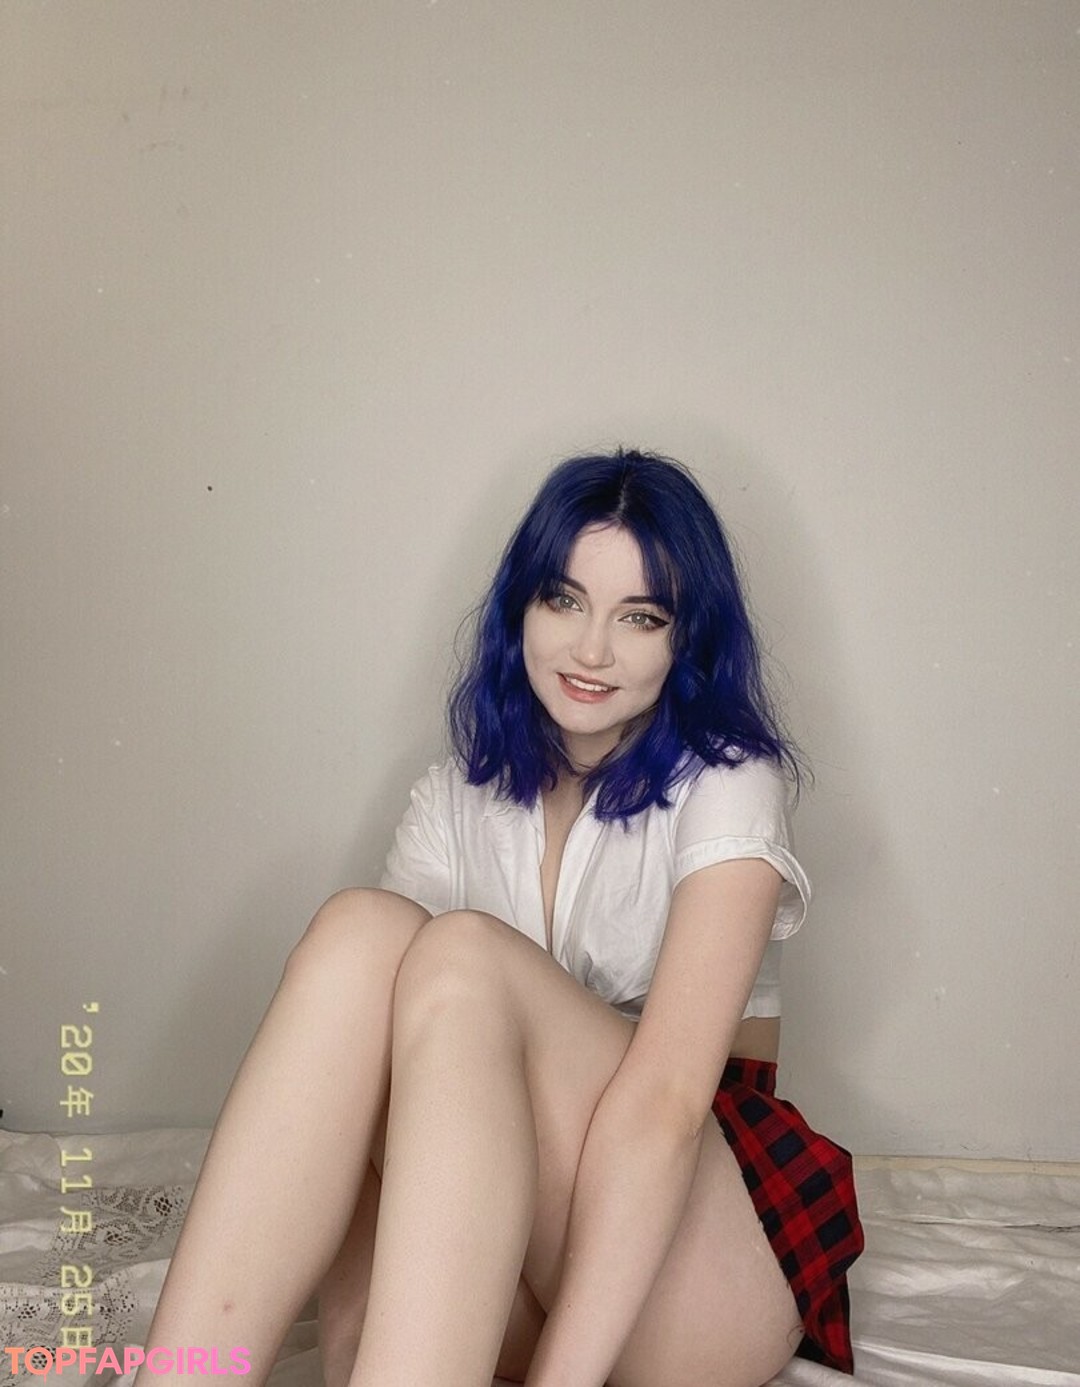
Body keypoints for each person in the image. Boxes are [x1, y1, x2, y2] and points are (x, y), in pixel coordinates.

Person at [136, 449, 863, 1387]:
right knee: (360, 935)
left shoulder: (728, 779)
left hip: (686, 1265)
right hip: (511, 1253)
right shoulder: (455, 796)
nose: (591, 650)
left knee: (462, 956)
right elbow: (364, 1072)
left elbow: (665, 1109)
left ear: (688, 640)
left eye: (639, 617)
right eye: (564, 600)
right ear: (522, 607)